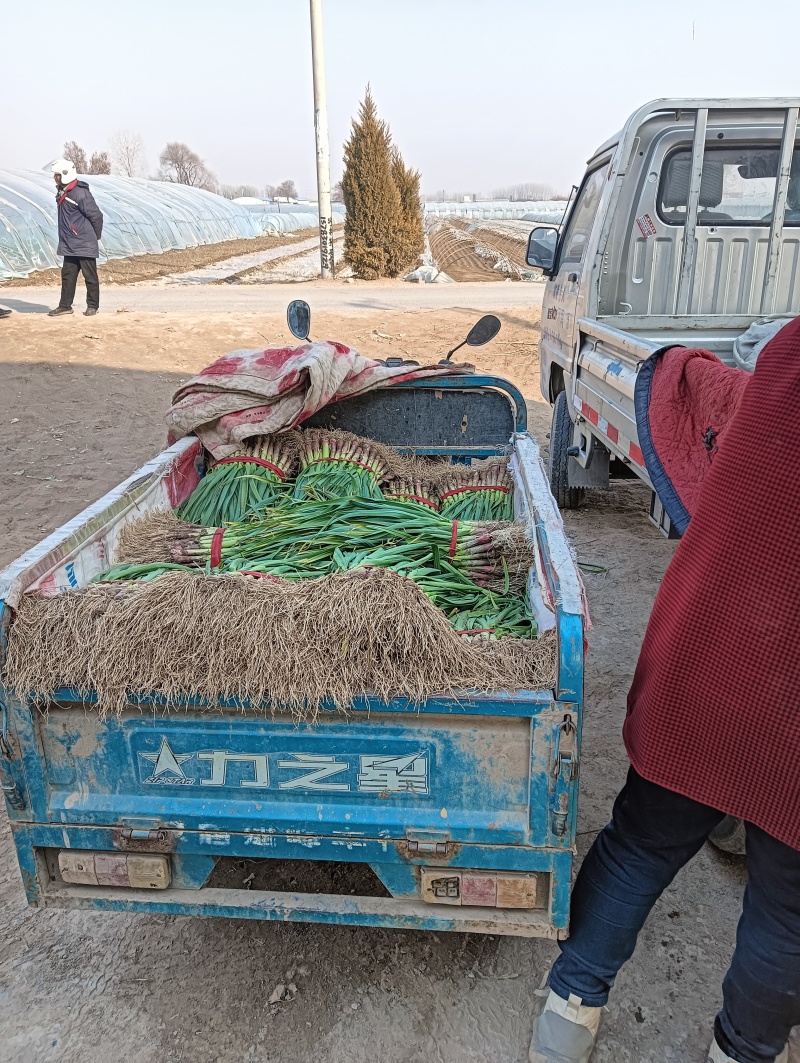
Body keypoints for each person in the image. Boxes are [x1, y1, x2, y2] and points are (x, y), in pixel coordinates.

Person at [530, 315, 800, 1063]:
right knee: (786, 913)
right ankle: (741, 1052)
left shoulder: (788, 353)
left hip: (707, 671)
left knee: (639, 845)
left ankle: (567, 1016)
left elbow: (702, 394)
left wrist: (678, 362)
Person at [48, 158, 103, 317]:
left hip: (84, 243)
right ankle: (65, 306)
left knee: (90, 277)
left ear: (65, 174)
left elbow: (96, 216)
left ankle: (92, 305)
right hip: (70, 243)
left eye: (57, 175)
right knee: (67, 276)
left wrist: (94, 237)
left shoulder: (80, 192)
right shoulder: (63, 191)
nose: (55, 178)